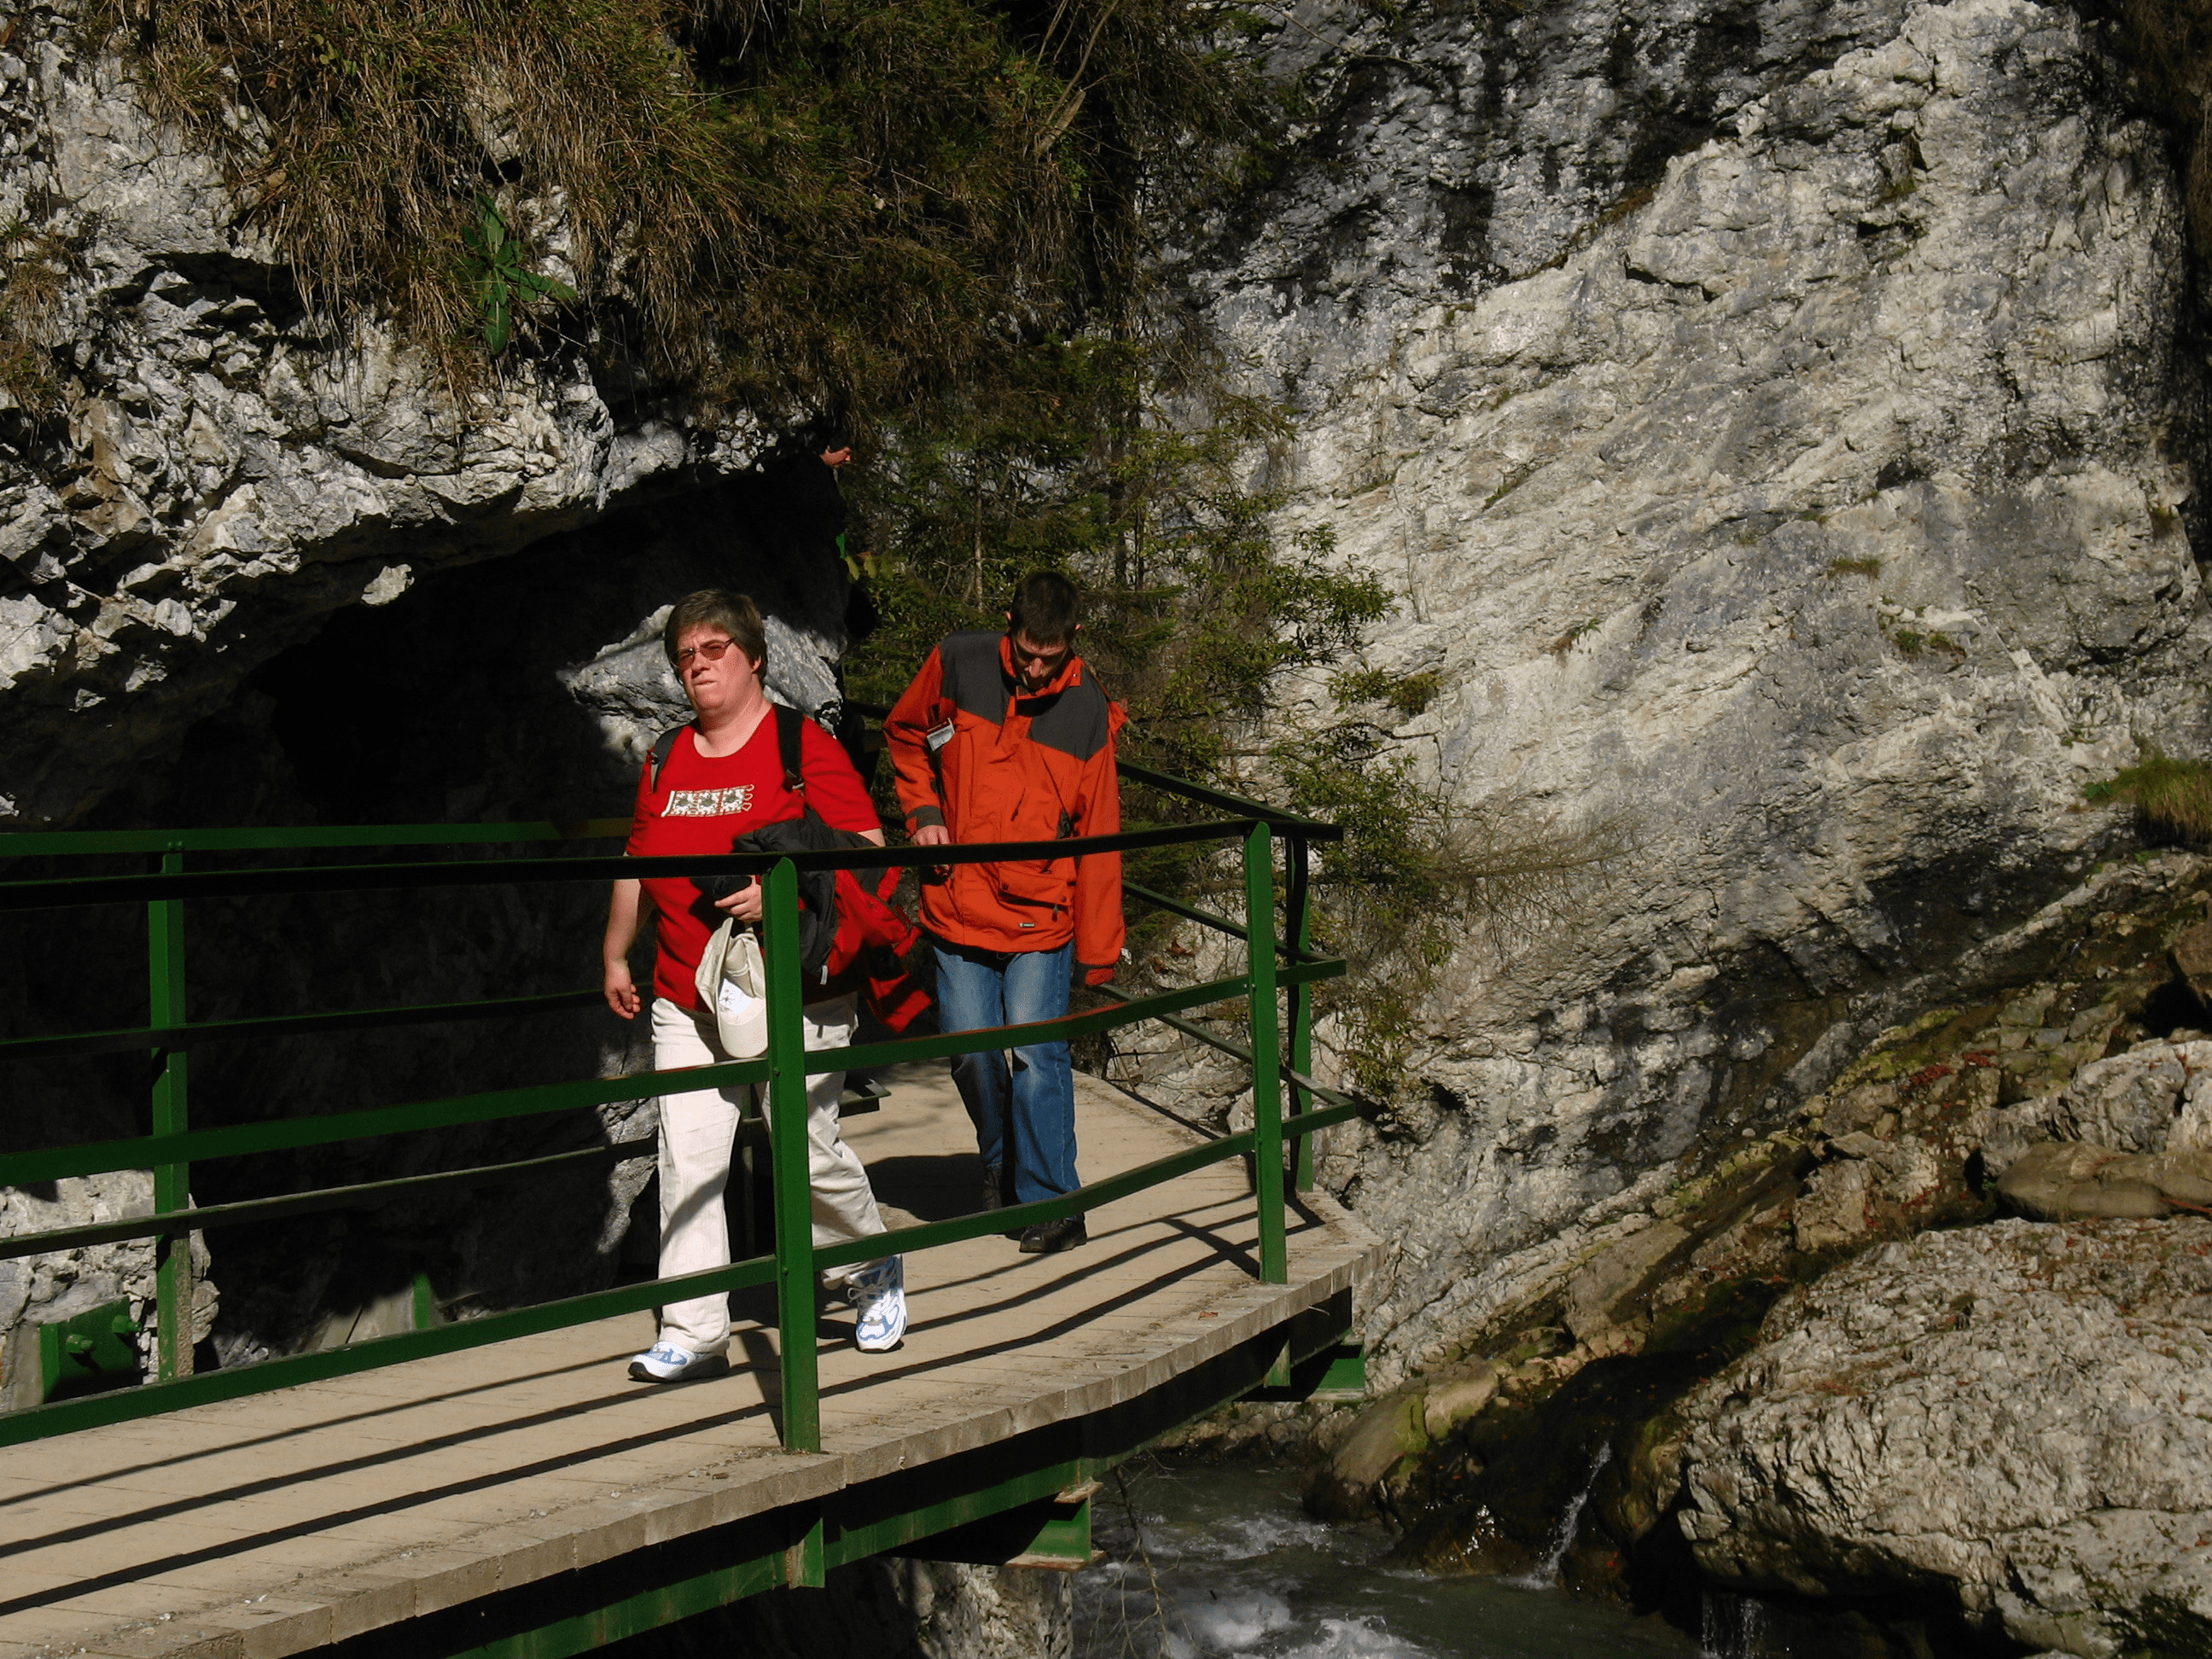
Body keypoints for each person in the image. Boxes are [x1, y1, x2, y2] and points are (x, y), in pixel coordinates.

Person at [602, 590, 906, 1381]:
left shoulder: (801, 747)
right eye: (685, 656)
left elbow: (870, 852)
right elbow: (639, 860)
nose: (697, 666)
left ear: (753, 657)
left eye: (713, 651)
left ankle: (868, 1265)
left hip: (792, 989)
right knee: (690, 1158)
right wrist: (614, 953)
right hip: (686, 991)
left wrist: (782, 887)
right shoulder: (666, 756)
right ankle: (696, 1327)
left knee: (803, 1146)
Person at [883, 571, 1126, 1254]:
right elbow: (906, 734)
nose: (1035, 667)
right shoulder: (958, 660)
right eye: (1025, 651)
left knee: (1033, 1051)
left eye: (1051, 656)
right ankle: (1002, 1167)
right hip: (957, 900)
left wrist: (1100, 948)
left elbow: (1102, 835)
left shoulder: (1086, 711)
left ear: (1073, 640)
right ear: (1008, 623)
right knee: (970, 1051)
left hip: (1039, 914)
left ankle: (1056, 1203)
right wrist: (925, 814)